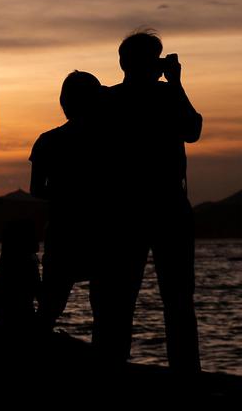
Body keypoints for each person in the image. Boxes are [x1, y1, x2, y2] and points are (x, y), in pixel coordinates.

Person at [94, 30, 202, 372]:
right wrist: (176, 83)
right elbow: (193, 129)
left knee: (122, 297)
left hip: (126, 209)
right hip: (162, 206)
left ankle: (113, 364)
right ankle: (185, 372)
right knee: (177, 298)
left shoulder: (108, 100)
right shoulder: (166, 96)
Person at [30, 71, 106, 330]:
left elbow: (37, 189)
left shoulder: (48, 140)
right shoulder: (110, 139)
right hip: (103, 231)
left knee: (50, 307)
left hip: (63, 231)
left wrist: (65, 194)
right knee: (107, 310)